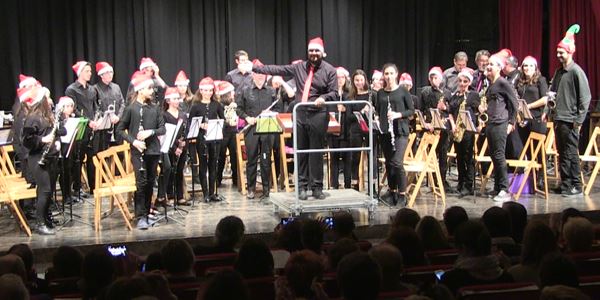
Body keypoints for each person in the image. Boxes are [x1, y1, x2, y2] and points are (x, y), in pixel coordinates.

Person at [251, 37, 337, 200]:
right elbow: (277, 69)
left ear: (322, 53)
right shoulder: (299, 67)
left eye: (316, 51)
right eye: (311, 50)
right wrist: (254, 68)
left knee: (316, 152)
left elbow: (334, 92)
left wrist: (324, 98)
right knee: (301, 151)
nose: (313, 53)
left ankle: (317, 187)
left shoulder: (329, 70)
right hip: (300, 114)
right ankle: (302, 187)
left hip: (318, 114)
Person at [543, 24, 591, 197]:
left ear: (570, 52)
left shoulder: (576, 72)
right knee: (562, 153)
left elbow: (585, 98)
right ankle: (565, 183)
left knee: (571, 153)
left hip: (570, 120)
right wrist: (547, 111)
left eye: (561, 52)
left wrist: (578, 120)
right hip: (559, 118)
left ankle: (576, 185)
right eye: (557, 52)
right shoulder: (559, 72)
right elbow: (552, 94)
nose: (558, 55)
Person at [116, 71, 166, 230]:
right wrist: (135, 141)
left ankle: (146, 213)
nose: (152, 91)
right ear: (140, 90)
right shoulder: (131, 109)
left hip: (153, 150)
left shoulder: (155, 108)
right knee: (141, 183)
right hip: (138, 151)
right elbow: (120, 130)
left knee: (151, 182)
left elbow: (162, 129)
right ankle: (140, 216)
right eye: (149, 88)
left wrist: (150, 132)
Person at [20, 85, 64, 235]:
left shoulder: (47, 116)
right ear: (42, 100)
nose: (50, 100)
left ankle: (46, 219)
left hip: (50, 158)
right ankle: (39, 223)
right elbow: (26, 140)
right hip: (37, 158)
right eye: (48, 98)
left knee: (48, 190)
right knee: (44, 190)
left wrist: (56, 137)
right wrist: (42, 139)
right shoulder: (33, 118)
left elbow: (56, 132)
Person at [237, 60, 281, 199]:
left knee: (265, 159)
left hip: (267, 130)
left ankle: (266, 189)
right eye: (258, 74)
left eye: (263, 74)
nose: (260, 76)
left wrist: (270, 115)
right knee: (251, 160)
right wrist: (247, 118)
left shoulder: (272, 92)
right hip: (251, 130)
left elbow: (278, 109)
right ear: (253, 75)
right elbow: (238, 109)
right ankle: (251, 189)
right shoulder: (245, 91)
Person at [480, 52, 518, 202]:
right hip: (491, 123)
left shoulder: (503, 83)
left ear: (499, 68)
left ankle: (504, 189)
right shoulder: (491, 85)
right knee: (494, 155)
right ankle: (497, 187)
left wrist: (511, 122)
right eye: (487, 64)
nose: (488, 66)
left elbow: (514, 103)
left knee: (499, 155)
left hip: (500, 123)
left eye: (491, 64)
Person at [377, 64, 414, 206]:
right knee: (389, 163)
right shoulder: (380, 93)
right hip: (385, 132)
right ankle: (392, 191)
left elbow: (411, 111)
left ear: (396, 74)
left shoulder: (403, 91)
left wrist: (398, 114)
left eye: (391, 73)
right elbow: (378, 110)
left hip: (400, 132)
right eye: (386, 73)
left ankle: (402, 195)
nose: (389, 76)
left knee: (397, 162)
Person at [188, 77, 225, 202]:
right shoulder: (196, 106)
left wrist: (218, 124)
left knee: (213, 165)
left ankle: (212, 193)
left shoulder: (217, 104)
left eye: (210, 90)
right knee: (203, 165)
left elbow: (223, 119)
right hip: (201, 139)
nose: (208, 93)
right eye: (206, 90)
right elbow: (190, 124)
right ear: (201, 91)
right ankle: (205, 194)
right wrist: (200, 125)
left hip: (214, 139)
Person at [65, 60, 98, 195]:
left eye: (90, 71)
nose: (90, 73)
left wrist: (96, 120)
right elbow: (74, 110)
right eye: (87, 71)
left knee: (92, 159)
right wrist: (88, 121)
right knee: (78, 159)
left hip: (92, 128)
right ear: (80, 73)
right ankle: (77, 188)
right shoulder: (71, 89)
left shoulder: (92, 89)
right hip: (80, 128)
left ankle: (93, 187)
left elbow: (96, 107)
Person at [419, 66, 453, 192]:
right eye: (431, 78)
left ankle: (442, 180)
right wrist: (425, 123)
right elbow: (421, 110)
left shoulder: (447, 92)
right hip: (429, 126)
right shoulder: (425, 92)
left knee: (443, 154)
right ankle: (432, 179)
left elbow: (451, 110)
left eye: (436, 77)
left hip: (442, 127)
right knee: (430, 155)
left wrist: (445, 108)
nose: (433, 80)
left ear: (441, 78)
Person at [448, 70, 480, 196]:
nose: (462, 83)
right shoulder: (455, 95)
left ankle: (469, 184)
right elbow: (450, 112)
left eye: (465, 81)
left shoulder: (473, 95)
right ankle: (461, 182)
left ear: (469, 82)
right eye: (460, 81)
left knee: (468, 157)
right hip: (457, 129)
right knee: (459, 157)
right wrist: (453, 125)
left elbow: (478, 111)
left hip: (468, 130)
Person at [157, 87, 188, 207]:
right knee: (169, 171)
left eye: (177, 98)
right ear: (168, 101)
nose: (177, 101)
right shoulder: (164, 115)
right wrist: (175, 148)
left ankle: (180, 196)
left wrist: (183, 142)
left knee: (179, 171)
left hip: (182, 146)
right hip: (169, 147)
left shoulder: (183, 115)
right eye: (174, 99)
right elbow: (166, 134)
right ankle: (168, 195)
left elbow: (186, 130)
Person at [328, 67, 353, 189]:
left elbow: (353, 111)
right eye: (337, 77)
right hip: (333, 131)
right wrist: (334, 109)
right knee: (334, 158)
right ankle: (334, 185)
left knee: (347, 158)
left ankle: (348, 184)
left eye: (342, 77)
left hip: (346, 130)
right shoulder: (331, 94)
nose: (340, 80)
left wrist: (345, 109)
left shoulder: (349, 94)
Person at [94, 61, 125, 150]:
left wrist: (118, 117)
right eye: (107, 73)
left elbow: (122, 104)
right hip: (104, 128)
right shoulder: (95, 89)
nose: (110, 74)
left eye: (111, 72)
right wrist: (107, 116)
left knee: (119, 152)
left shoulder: (116, 87)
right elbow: (95, 107)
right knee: (104, 152)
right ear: (101, 75)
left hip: (117, 125)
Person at [216, 80, 239, 189]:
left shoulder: (235, 104)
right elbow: (219, 119)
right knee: (221, 156)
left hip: (233, 132)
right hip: (222, 133)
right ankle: (217, 180)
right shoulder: (219, 105)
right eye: (231, 92)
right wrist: (227, 122)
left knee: (234, 156)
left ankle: (236, 179)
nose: (233, 94)